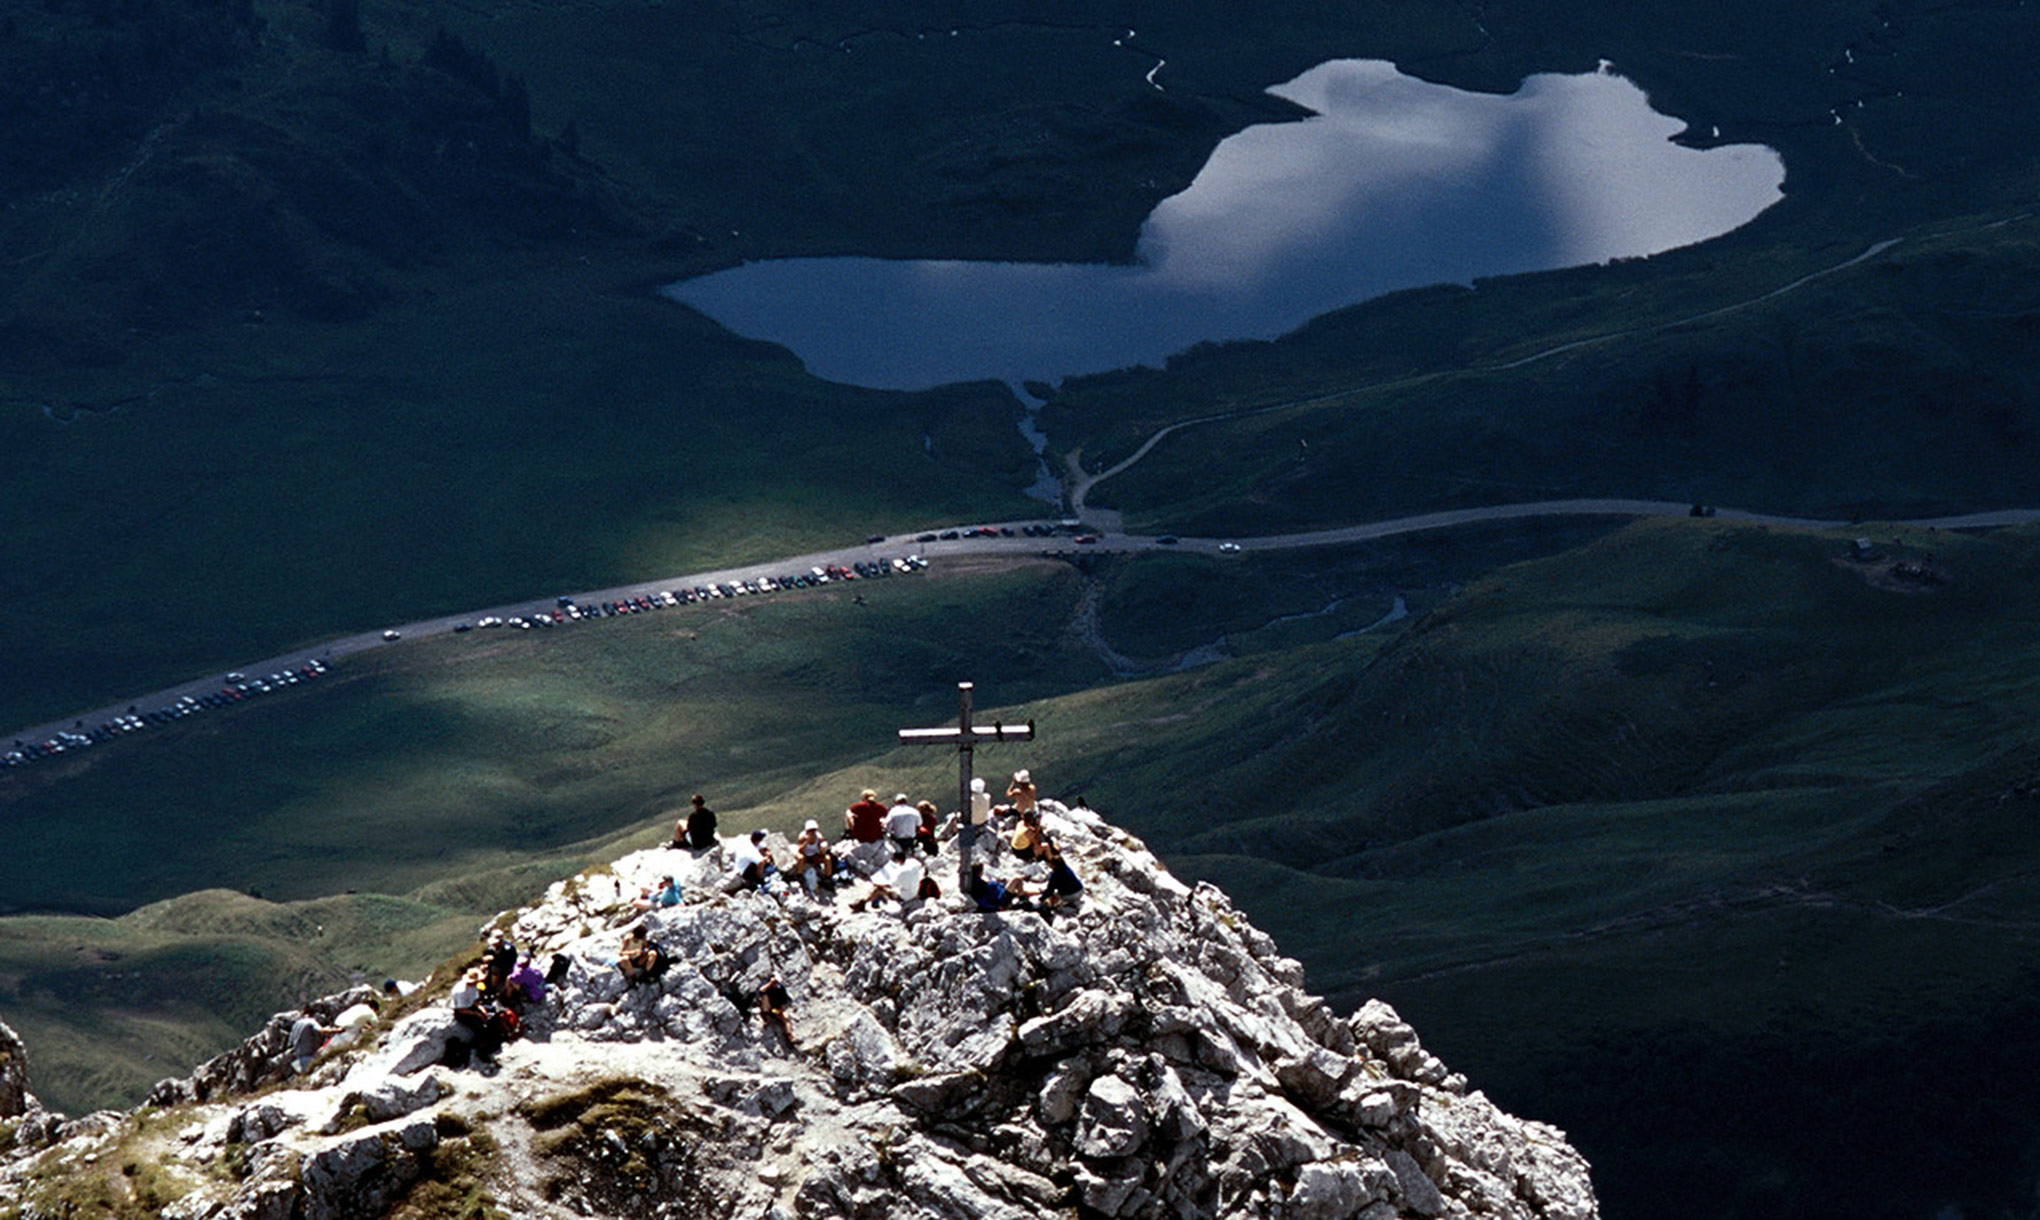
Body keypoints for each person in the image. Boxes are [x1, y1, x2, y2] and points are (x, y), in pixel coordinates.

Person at [287, 1009, 339, 1075]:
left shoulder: (296, 1024)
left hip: (299, 1055)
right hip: (309, 1054)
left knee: (305, 1075)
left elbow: (291, 1040)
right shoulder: (311, 1021)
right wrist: (338, 1030)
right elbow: (321, 1030)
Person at [966, 862, 1032, 913]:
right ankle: (1022, 900)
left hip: (1001, 891)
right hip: (1001, 897)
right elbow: (982, 901)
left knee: (1019, 889)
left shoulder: (981, 881)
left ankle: (1036, 893)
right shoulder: (978, 886)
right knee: (1017, 880)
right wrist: (997, 908)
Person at [794, 819, 835, 894]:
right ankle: (799, 875)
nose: (812, 832)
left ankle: (828, 877)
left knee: (827, 858)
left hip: (814, 855)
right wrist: (806, 842)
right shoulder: (802, 837)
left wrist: (822, 849)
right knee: (800, 858)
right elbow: (800, 850)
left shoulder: (819, 838)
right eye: (810, 830)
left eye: (814, 830)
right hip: (805, 854)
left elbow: (821, 851)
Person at [758, 975, 793, 1042]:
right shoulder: (766, 987)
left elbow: (784, 1001)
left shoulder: (780, 988)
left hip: (775, 1009)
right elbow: (761, 991)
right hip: (766, 1008)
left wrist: (781, 1010)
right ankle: (765, 1018)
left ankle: (789, 1035)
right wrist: (770, 983)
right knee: (765, 998)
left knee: (786, 1017)